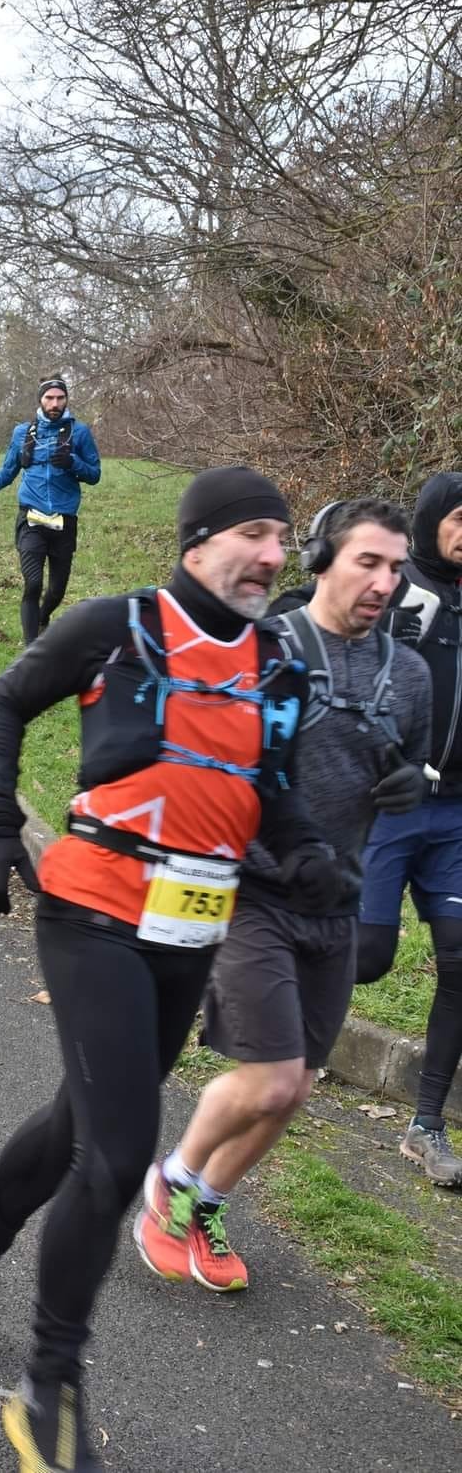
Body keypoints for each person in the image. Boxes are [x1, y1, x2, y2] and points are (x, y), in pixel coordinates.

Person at [0, 466, 350, 1473]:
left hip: (192, 933)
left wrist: (324, 874)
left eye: (284, 540)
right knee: (116, 1159)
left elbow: (265, 795)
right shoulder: (120, 626)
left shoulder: (277, 666)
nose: (274, 557)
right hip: (94, 911)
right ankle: (50, 1388)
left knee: (84, 1122)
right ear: (197, 540)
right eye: (255, 533)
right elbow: (1, 702)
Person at [135, 498, 431, 1294]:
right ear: (321, 561)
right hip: (249, 890)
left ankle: (206, 1205)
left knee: (294, 1088)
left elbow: (415, 760)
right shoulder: (267, 650)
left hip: (338, 896)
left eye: (397, 568)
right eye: (368, 562)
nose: (384, 582)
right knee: (267, 1076)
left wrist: (410, 784)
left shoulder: (410, 673)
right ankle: (170, 1182)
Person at [358, 472, 462, 1186]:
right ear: (431, 521)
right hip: (388, 807)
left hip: (456, 814)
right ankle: (259, 1017)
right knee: (367, 958)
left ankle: (427, 1126)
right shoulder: (398, 589)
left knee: (461, 959)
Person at [0, 377, 101, 643]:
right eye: (49, 398)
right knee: (33, 584)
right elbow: (7, 471)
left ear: (67, 400)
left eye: (60, 398)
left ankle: (43, 617)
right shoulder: (23, 433)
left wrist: (73, 463)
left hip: (64, 520)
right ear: (40, 400)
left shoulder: (79, 433)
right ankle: (30, 649)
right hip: (31, 518)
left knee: (57, 591)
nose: (55, 403)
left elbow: (95, 474)